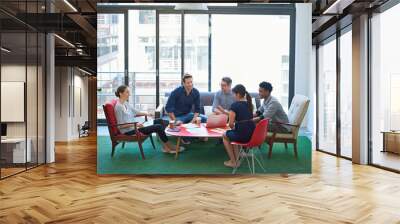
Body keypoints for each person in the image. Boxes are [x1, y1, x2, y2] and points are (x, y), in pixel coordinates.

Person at [114, 85, 184, 154]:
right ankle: (169, 146)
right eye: (127, 92)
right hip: (130, 131)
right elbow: (120, 126)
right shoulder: (119, 107)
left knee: (159, 120)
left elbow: (136, 112)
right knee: (158, 127)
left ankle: (173, 125)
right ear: (121, 93)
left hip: (134, 126)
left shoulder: (126, 103)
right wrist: (136, 125)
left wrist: (147, 114)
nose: (129, 94)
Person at [222, 84, 256, 168]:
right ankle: (237, 160)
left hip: (243, 136)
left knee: (224, 135)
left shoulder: (234, 106)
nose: (233, 96)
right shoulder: (250, 105)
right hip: (253, 135)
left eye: (234, 94)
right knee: (233, 134)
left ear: (237, 94)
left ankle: (234, 162)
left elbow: (230, 124)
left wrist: (233, 127)